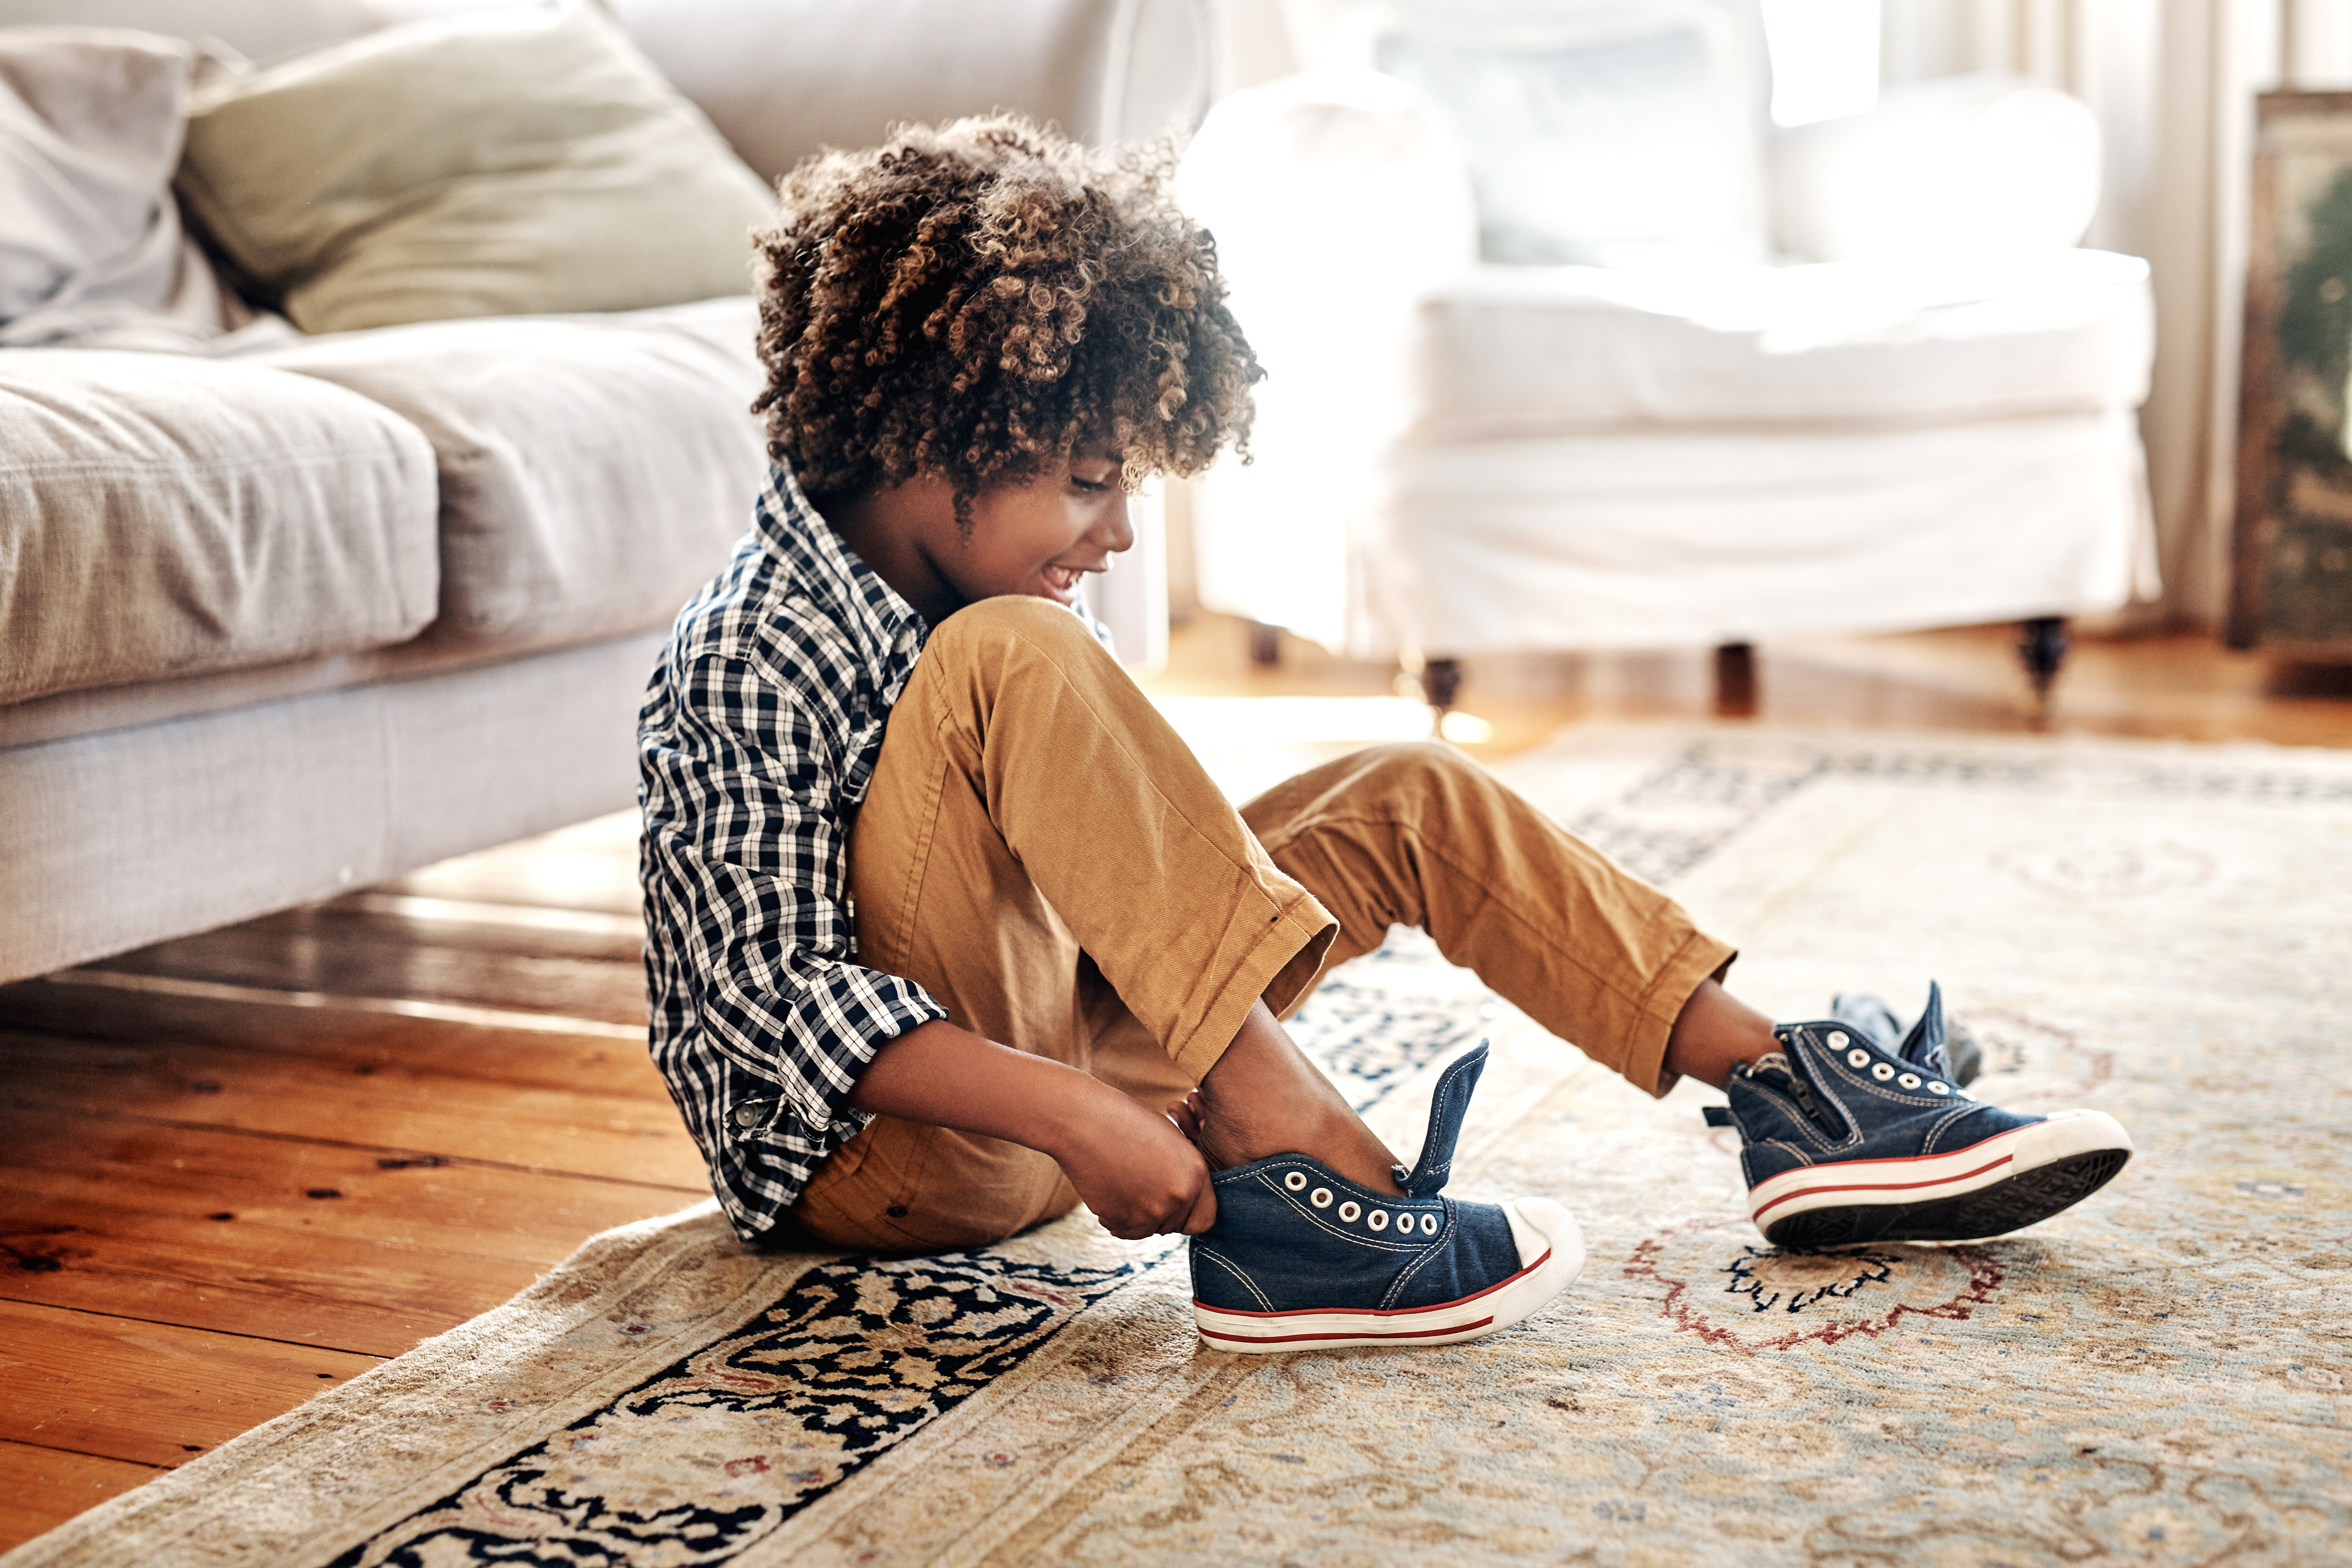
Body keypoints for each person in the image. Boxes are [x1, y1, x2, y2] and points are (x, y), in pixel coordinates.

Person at [637, 117, 2134, 1354]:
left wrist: (1110, 1071)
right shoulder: (754, 646)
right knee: (1010, 656)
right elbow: (763, 1001)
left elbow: (1116, 880)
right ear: (927, 433)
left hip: (1059, 1083)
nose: (1119, 532)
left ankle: (1790, 1092)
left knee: (1407, 792)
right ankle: (1310, 1172)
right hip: (886, 1164)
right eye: (1090, 480)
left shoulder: (988, 594)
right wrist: (1080, 1111)